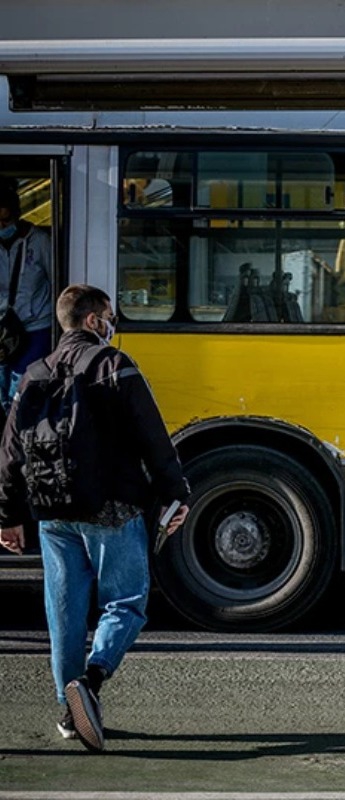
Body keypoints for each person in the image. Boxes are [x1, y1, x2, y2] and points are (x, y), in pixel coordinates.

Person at [0, 284, 190, 752]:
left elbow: (10, 451)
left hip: (52, 513)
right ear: (91, 321)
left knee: (63, 614)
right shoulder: (113, 366)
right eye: (109, 316)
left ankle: (69, 713)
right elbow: (153, 436)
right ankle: (93, 679)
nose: (112, 324)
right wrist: (176, 493)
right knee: (126, 602)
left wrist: (8, 515)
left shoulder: (34, 373)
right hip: (111, 507)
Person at [0, 177, 55, 414]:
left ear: (18, 215)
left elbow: (57, 280)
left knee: (20, 389)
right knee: (2, 390)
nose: (2, 228)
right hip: (3, 328)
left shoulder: (40, 242)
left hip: (35, 327)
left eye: (6, 221)